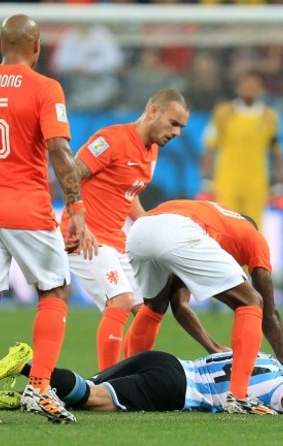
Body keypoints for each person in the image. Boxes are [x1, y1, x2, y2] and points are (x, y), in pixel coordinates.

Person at [0, 14, 96, 425]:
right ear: (37, 47)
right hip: (27, 209)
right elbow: (60, 152)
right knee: (56, 290)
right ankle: (40, 386)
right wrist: (77, 209)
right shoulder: (46, 88)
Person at [60, 88, 189, 372]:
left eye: (181, 127)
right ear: (153, 111)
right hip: (84, 237)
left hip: (116, 240)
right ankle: (109, 380)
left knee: (147, 309)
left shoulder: (151, 150)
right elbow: (70, 173)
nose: (177, 133)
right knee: (121, 299)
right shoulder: (111, 140)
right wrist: (77, 218)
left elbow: (129, 194)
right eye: (174, 123)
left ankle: (134, 375)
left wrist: (150, 228)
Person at [123, 199, 283, 415]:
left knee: (154, 306)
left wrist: (212, 347)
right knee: (251, 301)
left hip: (139, 230)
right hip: (177, 231)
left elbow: (179, 305)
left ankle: (124, 384)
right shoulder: (253, 237)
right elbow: (269, 313)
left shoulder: (213, 220)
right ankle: (239, 396)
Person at [0, 342, 283, 416]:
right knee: (90, 396)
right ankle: (28, 366)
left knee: (86, 386)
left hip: (166, 360)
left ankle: (27, 392)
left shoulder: (262, 355)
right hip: (173, 388)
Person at [197, 69, 283, 228]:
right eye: (246, 85)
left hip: (256, 185)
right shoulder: (223, 114)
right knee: (226, 229)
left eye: (254, 85)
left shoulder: (270, 117)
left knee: (253, 231)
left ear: (261, 89)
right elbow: (209, 148)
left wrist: (280, 185)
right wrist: (206, 181)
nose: (249, 88)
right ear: (238, 87)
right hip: (226, 184)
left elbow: (277, 152)